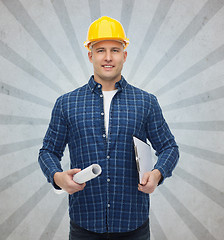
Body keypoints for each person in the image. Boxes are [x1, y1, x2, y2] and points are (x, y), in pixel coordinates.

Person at [38, 16, 179, 240]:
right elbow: (48, 151)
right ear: (90, 55)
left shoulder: (145, 102)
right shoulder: (66, 103)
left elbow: (169, 147)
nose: (108, 57)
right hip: (84, 224)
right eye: (100, 49)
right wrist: (57, 177)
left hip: (133, 224)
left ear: (124, 55)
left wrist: (157, 174)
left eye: (115, 49)